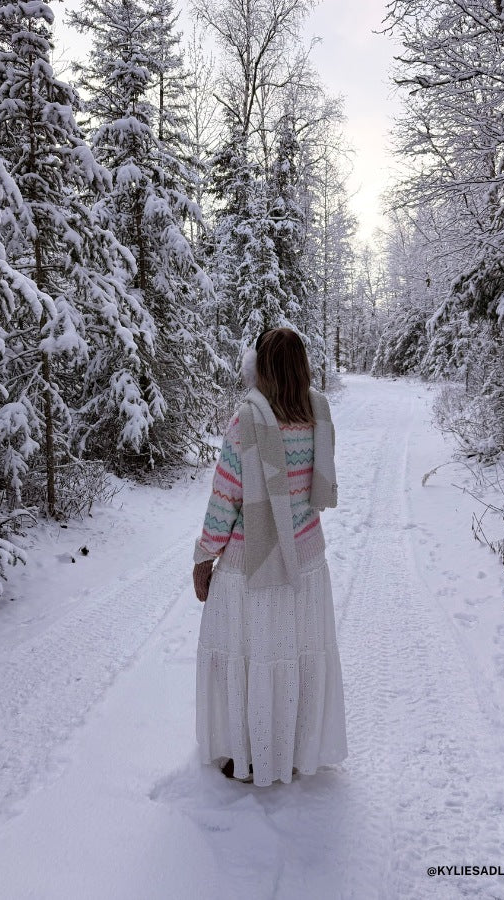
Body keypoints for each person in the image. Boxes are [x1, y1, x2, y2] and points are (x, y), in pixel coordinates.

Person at [192, 328, 348, 786]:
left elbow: (225, 500)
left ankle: (249, 755)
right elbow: (315, 490)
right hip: (305, 559)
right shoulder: (318, 413)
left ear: (257, 366)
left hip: (252, 564)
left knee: (250, 657)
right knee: (293, 655)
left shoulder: (246, 421)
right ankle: (291, 749)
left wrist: (204, 557)